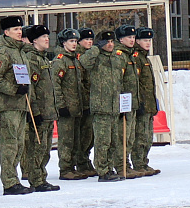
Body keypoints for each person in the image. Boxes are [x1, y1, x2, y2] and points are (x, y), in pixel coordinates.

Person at [0, 16, 34, 195]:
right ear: (6, 32)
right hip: (7, 105)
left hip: (20, 105)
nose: (20, 32)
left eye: (20, 28)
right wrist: (13, 90)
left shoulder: (19, 51)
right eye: (15, 29)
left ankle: (14, 179)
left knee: (19, 144)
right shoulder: (3, 52)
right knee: (10, 145)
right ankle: (9, 182)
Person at [79, 27, 134, 180]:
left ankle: (110, 168)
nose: (110, 44)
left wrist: (123, 104)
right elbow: (84, 62)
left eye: (111, 41)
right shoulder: (95, 57)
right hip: (101, 106)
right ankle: (103, 170)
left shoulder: (117, 58)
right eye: (106, 42)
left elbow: (122, 81)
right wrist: (96, 48)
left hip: (114, 106)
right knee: (102, 141)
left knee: (113, 141)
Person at [20, 24, 60, 192]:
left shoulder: (43, 58)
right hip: (39, 112)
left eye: (47, 36)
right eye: (43, 37)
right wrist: (34, 111)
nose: (47, 39)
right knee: (37, 148)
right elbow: (31, 89)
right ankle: (36, 179)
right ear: (34, 40)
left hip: (49, 111)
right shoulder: (31, 59)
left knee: (45, 149)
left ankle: (41, 176)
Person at [54, 30, 92, 180]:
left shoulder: (75, 60)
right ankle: (65, 168)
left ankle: (74, 166)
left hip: (77, 108)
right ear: (64, 43)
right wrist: (61, 105)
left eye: (76, 41)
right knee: (66, 140)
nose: (74, 44)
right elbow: (56, 85)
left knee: (76, 139)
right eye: (71, 41)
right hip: (66, 109)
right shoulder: (60, 61)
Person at [129, 27, 161, 177]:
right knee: (140, 135)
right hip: (141, 103)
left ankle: (143, 161)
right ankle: (138, 162)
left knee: (147, 136)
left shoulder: (144, 57)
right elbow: (136, 82)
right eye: (145, 40)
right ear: (137, 41)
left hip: (148, 104)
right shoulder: (136, 57)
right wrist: (139, 102)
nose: (148, 43)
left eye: (149, 40)